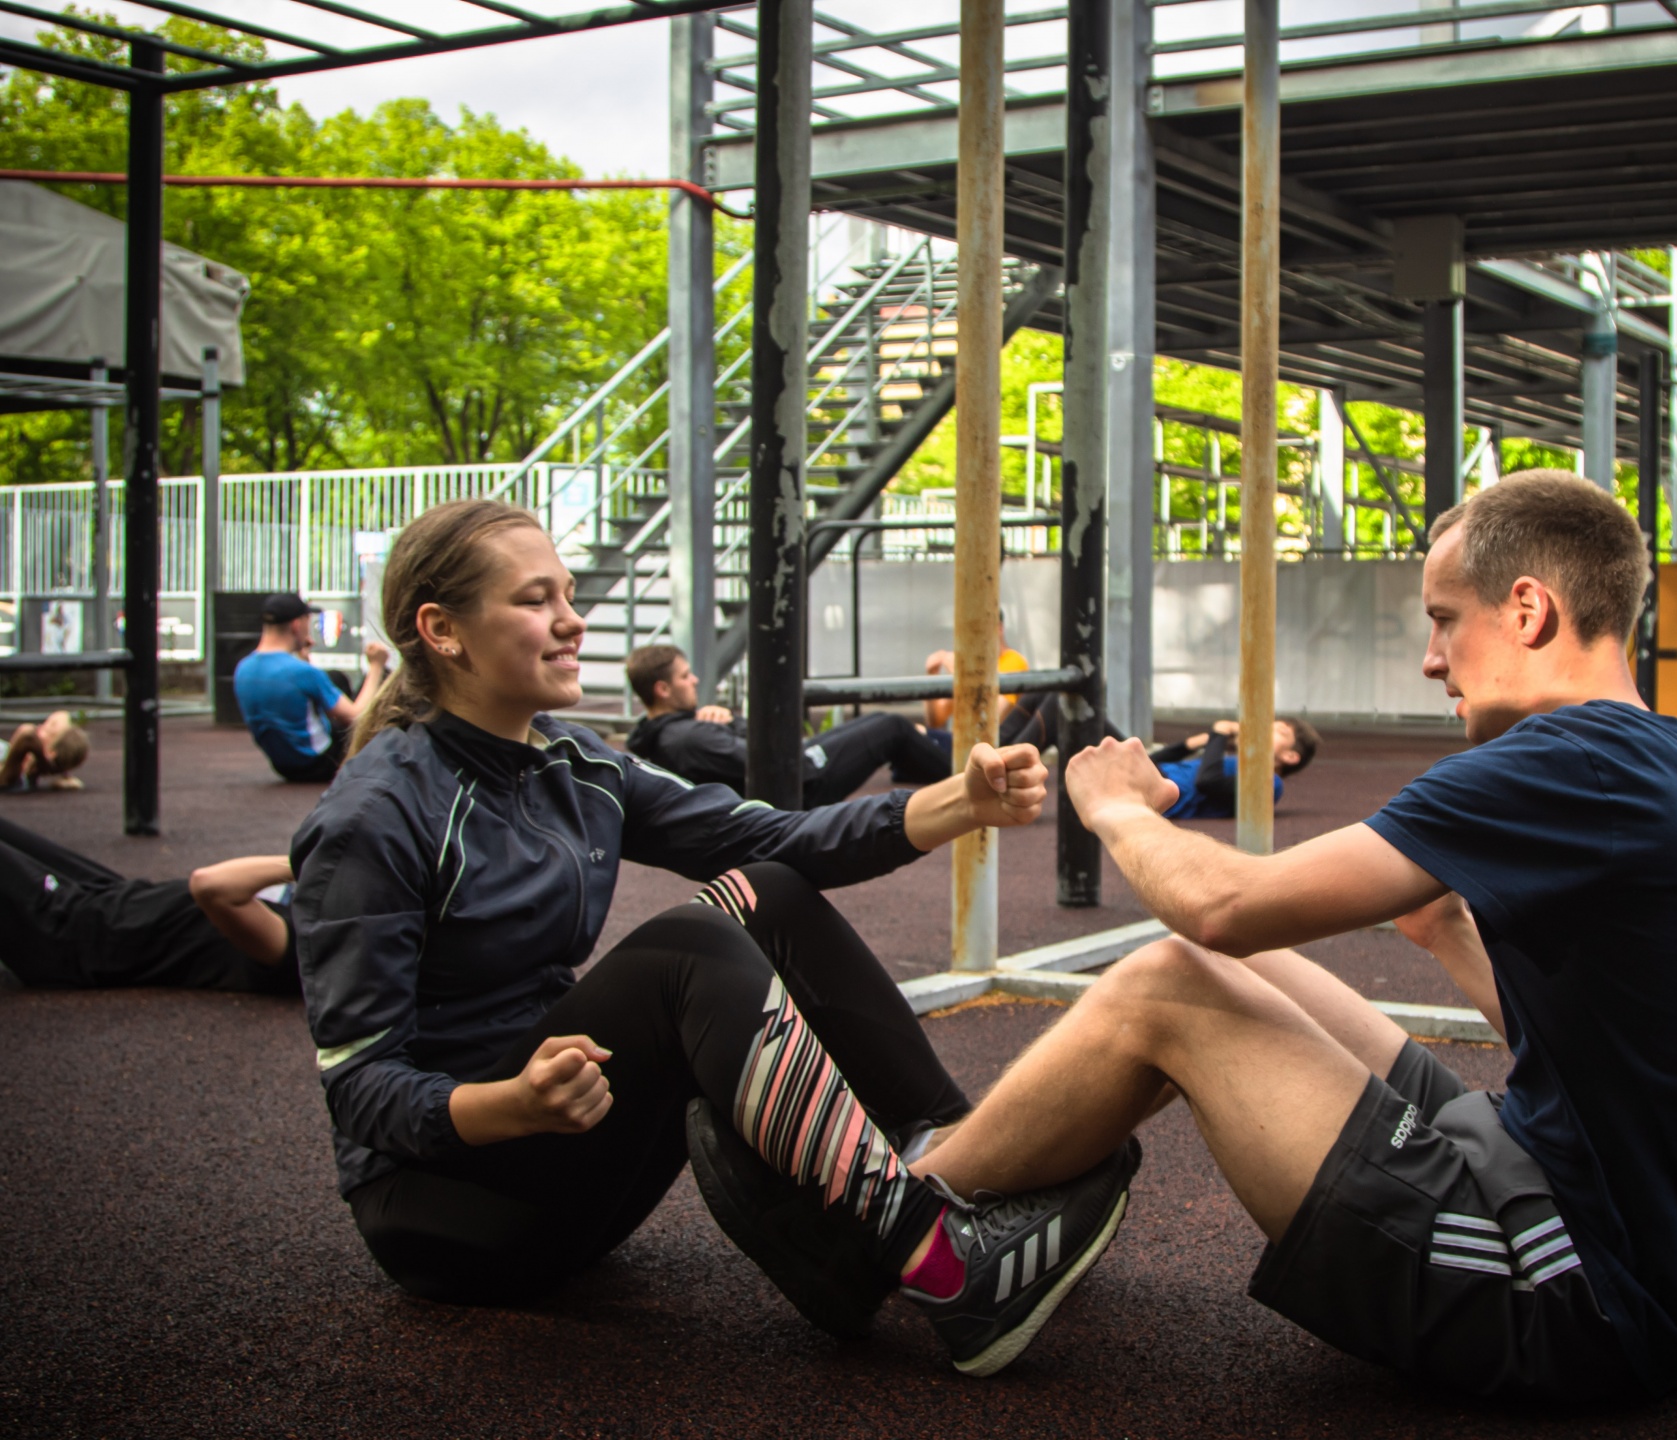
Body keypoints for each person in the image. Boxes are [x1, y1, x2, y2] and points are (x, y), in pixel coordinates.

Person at [718, 471, 1677, 1398]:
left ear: (1527, 610)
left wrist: (1117, 809)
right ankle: (991, 1197)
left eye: (1444, 620)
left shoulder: (1566, 760)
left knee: (1174, 978)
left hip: (1580, 1294)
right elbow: (1625, 1052)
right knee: (1232, 969)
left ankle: (882, 1225)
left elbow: (1222, 906)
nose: (1433, 659)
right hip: (1587, 1207)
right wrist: (1447, 934)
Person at [292, 498, 1137, 1375]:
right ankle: (947, 1266)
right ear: (442, 631)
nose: (573, 619)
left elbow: (773, 840)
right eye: (536, 600)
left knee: (766, 890)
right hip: (452, 1212)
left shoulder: (575, 763)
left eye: (569, 594)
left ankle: (971, 1177)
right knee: (683, 954)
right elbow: (361, 1088)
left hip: (564, 1143)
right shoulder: (375, 816)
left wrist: (960, 801)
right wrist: (509, 1104)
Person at [0, 811, 295, 992]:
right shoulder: (316, 914)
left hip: (81, 936)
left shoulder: (302, 950)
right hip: (113, 894)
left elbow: (211, 885)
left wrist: (315, 860)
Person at [624, 643, 951, 799]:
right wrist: (729, 724)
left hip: (798, 767)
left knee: (883, 720)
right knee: (892, 729)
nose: (694, 680)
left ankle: (926, 767)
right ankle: (966, 781)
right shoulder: (689, 737)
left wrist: (724, 721)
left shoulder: (666, 731)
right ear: (663, 689)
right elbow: (770, 761)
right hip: (802, 787)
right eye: (685, 677)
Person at [234, 593, 390, 782]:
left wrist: (302, 655)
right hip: (320, 762)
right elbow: (357, 717)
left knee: (335, 678)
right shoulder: (302, 672)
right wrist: (376, 666)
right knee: (381, 678)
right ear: (296, 625)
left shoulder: (243, 668)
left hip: (283, 766)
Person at [1144, 716, 1320, 820]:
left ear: (1290, 756)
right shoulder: (1233, 761)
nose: (1262, 731)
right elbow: (1149, 762)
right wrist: (1192, 744)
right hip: (1152, 777)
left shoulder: (1271, 782)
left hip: (1157, 791)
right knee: (1131, 749)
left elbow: (1207, 782)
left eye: (1279, 731)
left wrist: (1220, 734)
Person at [1, 709, 88, 791]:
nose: (37, 727)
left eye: (44, 730)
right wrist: (57, 770)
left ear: (50, 753)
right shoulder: (8, 755)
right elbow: (62, 714)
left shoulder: (17, 775)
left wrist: (44, 761)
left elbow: (27, 735)